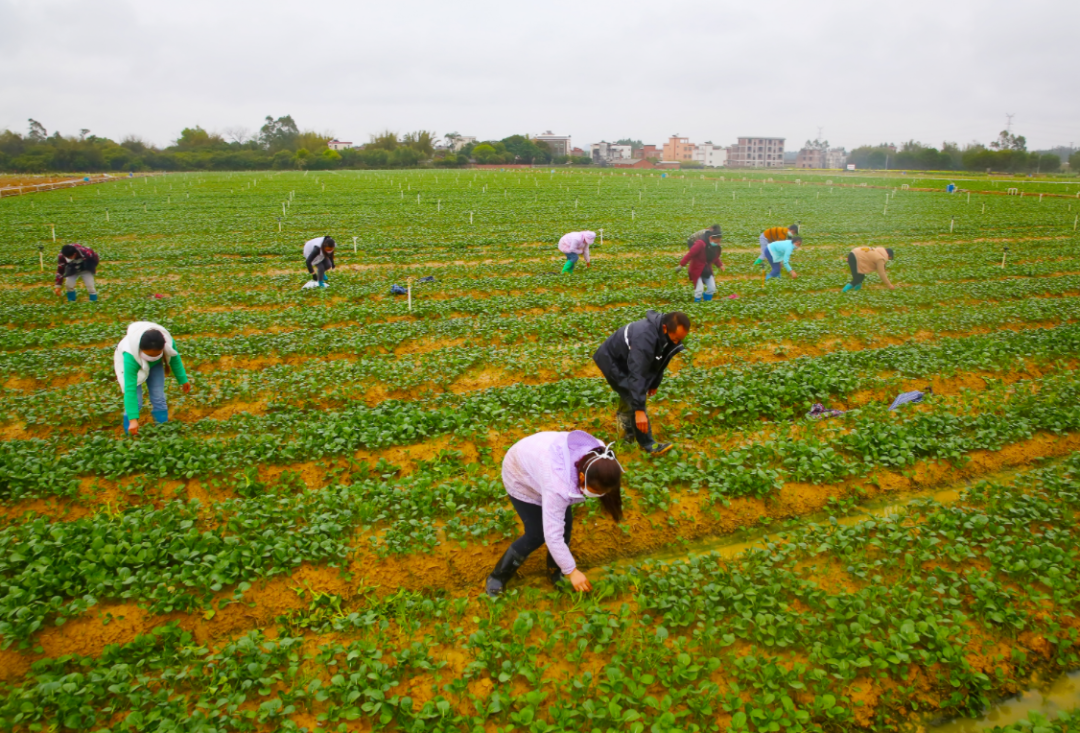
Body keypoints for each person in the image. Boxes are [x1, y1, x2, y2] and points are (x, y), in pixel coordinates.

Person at [486, 431, 624, 596]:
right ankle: (498, 576)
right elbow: (553, 535)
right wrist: (572, 571)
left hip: (542, 460)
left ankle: (555, 569)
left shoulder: (602, 457)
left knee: (565, 525)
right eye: (595, 491)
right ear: (581, 477)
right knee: (536, 534)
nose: (599, 495)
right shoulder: (558, 485)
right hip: (519, 471)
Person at [592, 310, 690, 456]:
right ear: (665, 328)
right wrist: (639, 410)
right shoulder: (644, 338)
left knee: (631, 394)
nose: (677, 342)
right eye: (676, 338)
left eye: (680, 340)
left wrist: (654, 383)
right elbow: (637, 374)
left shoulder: (665, 335)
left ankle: (627, 435)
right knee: (632, 395)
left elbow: (661, 359)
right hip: (612, 360)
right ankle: (648, 443)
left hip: (627, 359)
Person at [114, 321, 192, 436]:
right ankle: (129, 434)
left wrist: (183, 379)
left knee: (159, 397)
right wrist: (133, 420)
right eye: (149, 355)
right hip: (133, 364)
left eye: (157, 354)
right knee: (137, 401)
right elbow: (130, 389)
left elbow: (175, 359)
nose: (153, 357)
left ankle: (163, 431)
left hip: (155, 366)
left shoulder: (167, 341)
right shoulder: (129, 355)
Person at [679, 229, 725, 301]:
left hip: (706, 270)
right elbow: (690, 254)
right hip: (696, 269)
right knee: (699, 289)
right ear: (710, 238)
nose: (717, 243)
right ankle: (697, 304)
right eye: (716, 241)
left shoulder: (715, 246)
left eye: (719, 242)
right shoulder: (700, 244)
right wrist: (681, 265)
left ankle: (707, 302)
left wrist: (720, 265)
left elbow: (715, 257)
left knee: (712, 288)